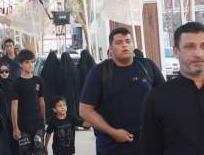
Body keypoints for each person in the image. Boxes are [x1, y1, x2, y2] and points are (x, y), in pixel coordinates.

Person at [79, 28, 165, 155]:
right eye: (119, 42)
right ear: (111, 48)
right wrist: (113, 132)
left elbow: (164, 99)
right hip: (112, 147)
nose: (124, 45)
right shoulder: (99, 72)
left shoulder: (147, 66)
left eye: (128, 41)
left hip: (148, 145)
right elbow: (85, 110)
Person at [140, 22, 204, 155]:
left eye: (203, 46)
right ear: (176, 51)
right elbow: (150, 148)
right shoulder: (157, 98)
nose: (198, 53)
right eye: (189, 47)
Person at [12, 49, 45, 155]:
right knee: (25, 152)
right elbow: (14, 107)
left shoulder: (38, 80)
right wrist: (15, 127)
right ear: (21, 64)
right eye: (27, 62)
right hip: (23, 126)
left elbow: (42, 103)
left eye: (32, 61)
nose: (30, 65)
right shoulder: (17, 83)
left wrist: (44, 122)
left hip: (38, 125)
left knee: (39, 152)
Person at [0, 63, 17, 155]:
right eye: (2, 71)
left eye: (6, 71)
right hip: (1, 117)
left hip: (12, 115)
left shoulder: (14, 84)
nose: (4, 73)